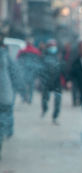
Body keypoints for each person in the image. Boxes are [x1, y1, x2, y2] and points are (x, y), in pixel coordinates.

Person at [0, 31, 20, 160]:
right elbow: (14, 73)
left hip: (4, 95)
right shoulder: (5, 55)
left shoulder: (5, 55)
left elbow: (14, 72)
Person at [40, 39, 62, 125]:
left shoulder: (59, 56)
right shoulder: (43, 56)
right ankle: (44, 109)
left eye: (54, 46)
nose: (53, 48)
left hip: (57, 81)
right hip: (46, 81)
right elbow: (40, 68)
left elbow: (63, 68)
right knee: (45, 99)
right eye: (51, 46)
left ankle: (55, 116)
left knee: (58, 100)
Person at [17, 37, 42, 104]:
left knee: (23, 85)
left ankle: (24, 97)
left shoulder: (22, 51)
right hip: (32, 71)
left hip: (24, 71)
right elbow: (39, 62)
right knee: (31, 86)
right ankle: (30, 98)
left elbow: (18, 61)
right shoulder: (36, 51)